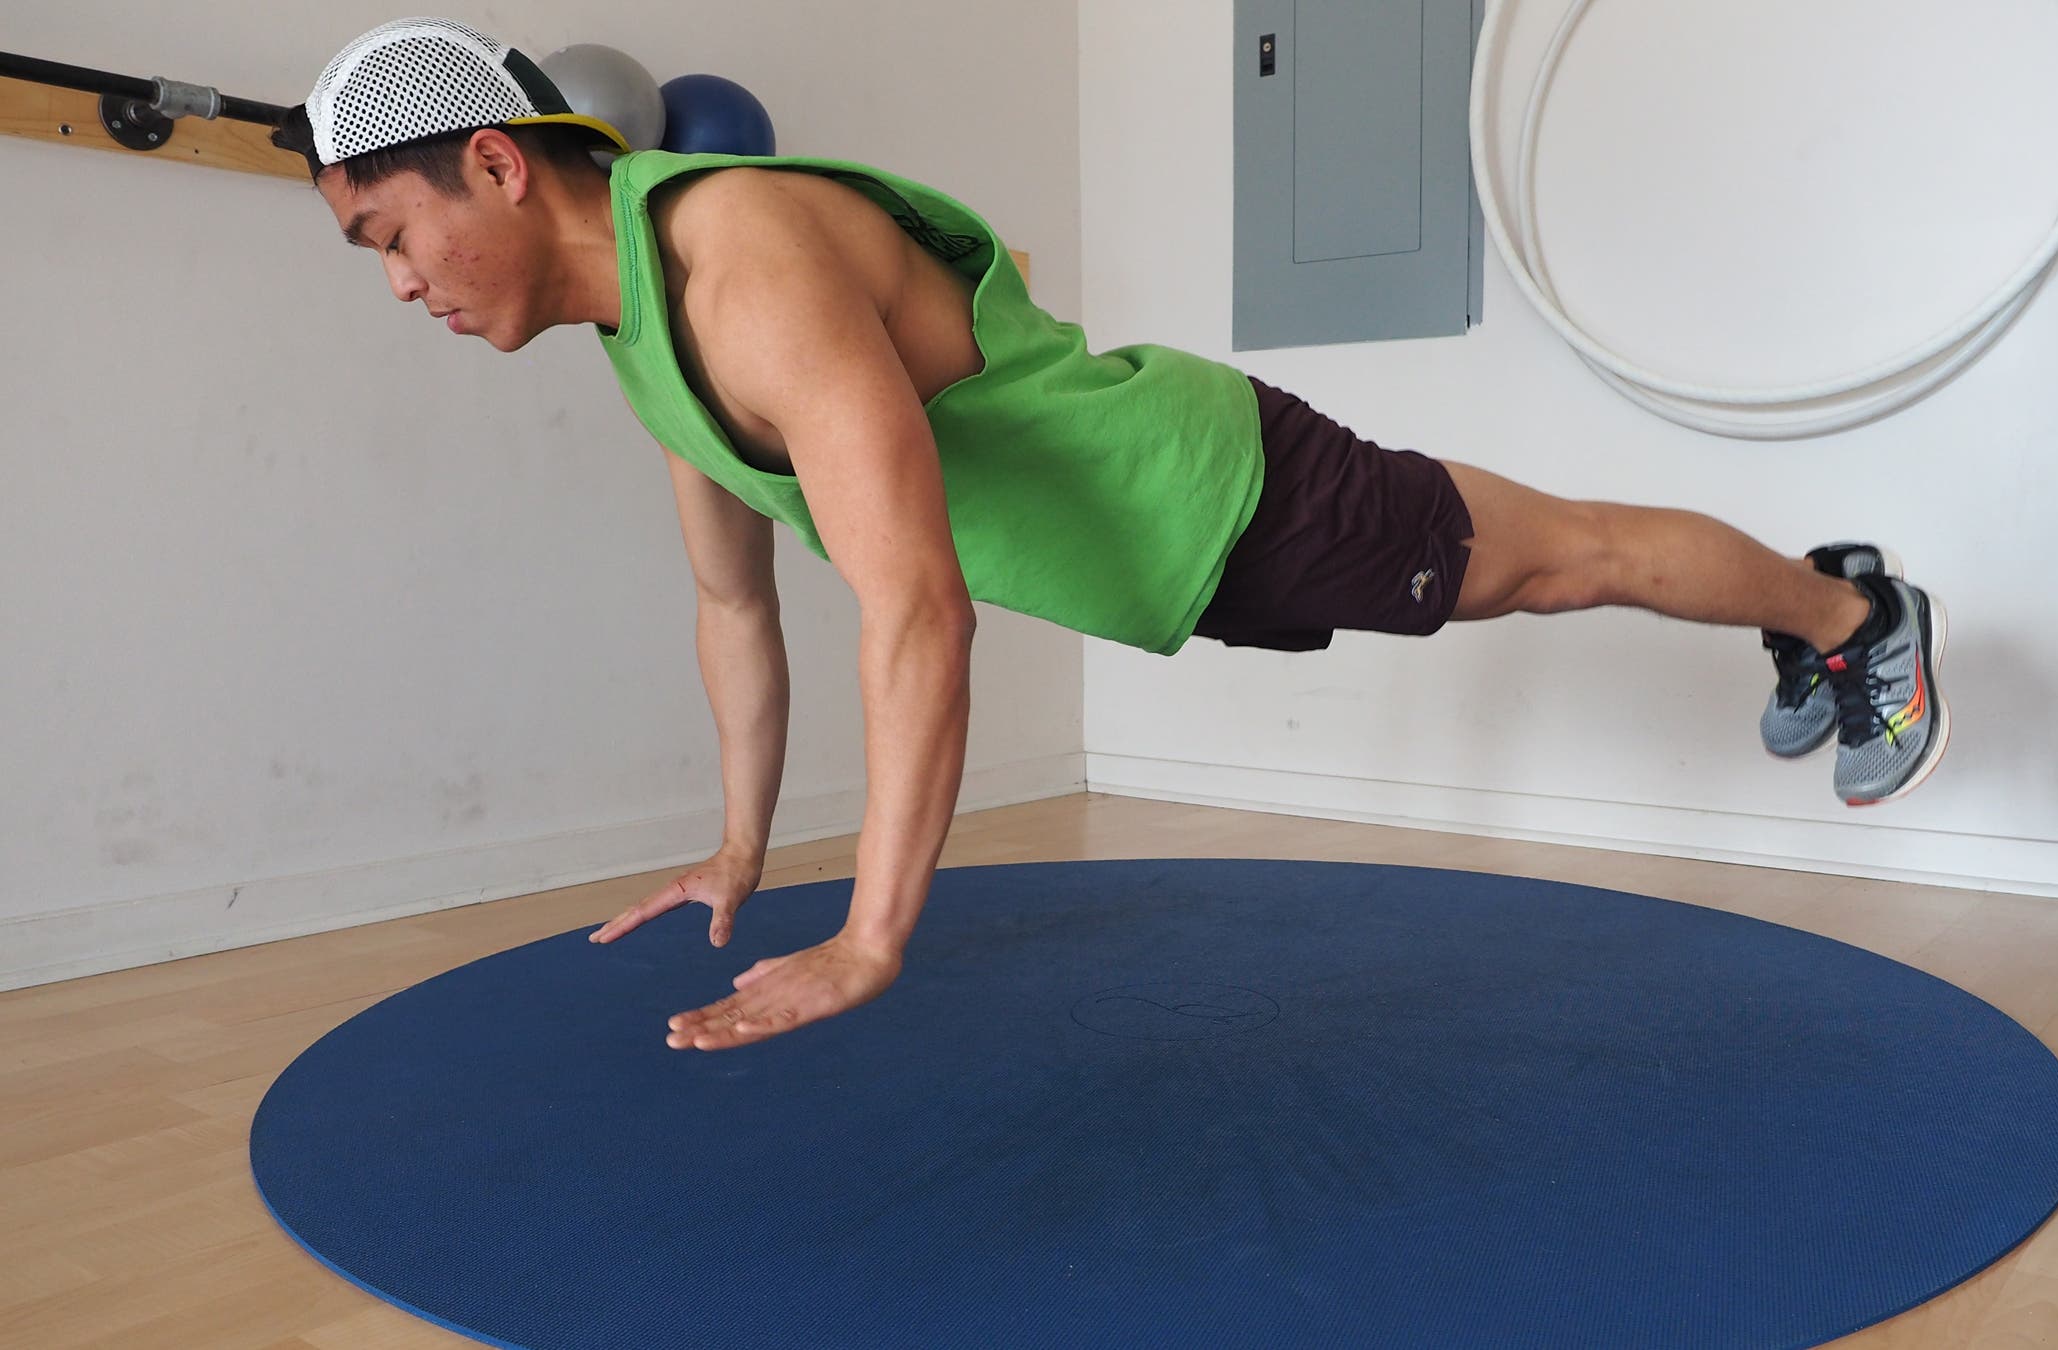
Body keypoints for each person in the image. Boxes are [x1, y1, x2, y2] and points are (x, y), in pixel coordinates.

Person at [276, 19, 1948, 1052]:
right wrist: (738, 852)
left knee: (1559, 556)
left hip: (1219, 490)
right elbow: (735, 606)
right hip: (1170, 550)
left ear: (495, 164)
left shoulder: (739, 260)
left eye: (393, 235)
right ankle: (1827, 609)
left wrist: (873, 939)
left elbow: (917, 606)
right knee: (1551, 555)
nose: (404, 284)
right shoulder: (639, 332)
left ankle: (1850, 614)